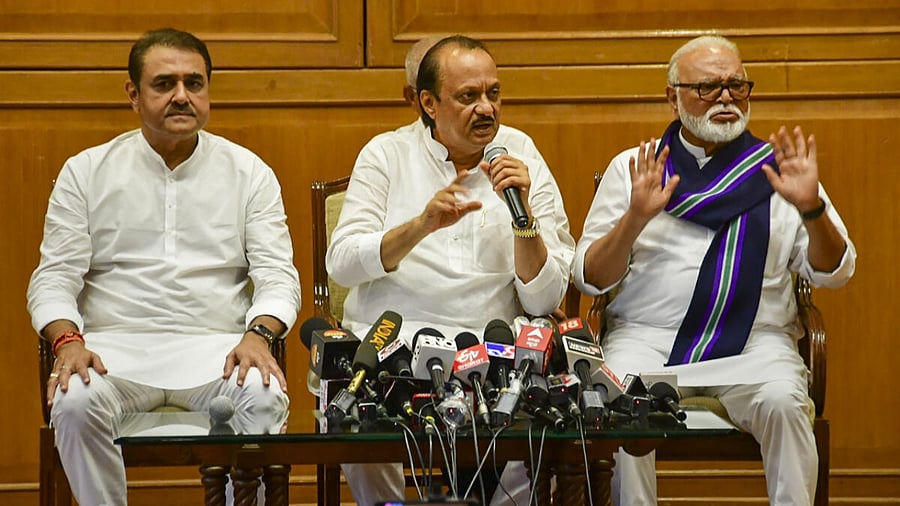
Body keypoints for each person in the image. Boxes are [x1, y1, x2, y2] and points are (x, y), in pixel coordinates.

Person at [573, 35, 855, 505]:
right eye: (708, 87)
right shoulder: (636, 169)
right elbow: (590, 278)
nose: (725, 98)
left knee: (785, 404)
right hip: (648, 340)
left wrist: (811, 209)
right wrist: (634, 219)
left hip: (754, 345)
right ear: (672, 96)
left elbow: (835, 272)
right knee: (620, 404)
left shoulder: (779, 170)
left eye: (736, 86)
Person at [27, 28, 301, 506]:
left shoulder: (249, 172)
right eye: (164, 84)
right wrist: (67, 340)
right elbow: (53, 278)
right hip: (114, 354)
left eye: (194, 83)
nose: (182, 96)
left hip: (219, 352)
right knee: (73, 400)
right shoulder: (86, 171)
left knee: (261, 393)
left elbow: (279, 275)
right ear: (133, 94)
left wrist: (258, 333)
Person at [325, 35, 576, 505]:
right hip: (392, 349)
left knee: (538, 428)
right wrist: (420, 226)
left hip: (491, 349)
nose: (486, 109)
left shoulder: (522, 155)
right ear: (428, 103)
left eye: (493, 94)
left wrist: (524, 222)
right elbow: (341, 263)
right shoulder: (385, 154)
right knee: (357, 423)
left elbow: (544, 300)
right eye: (468, 97)